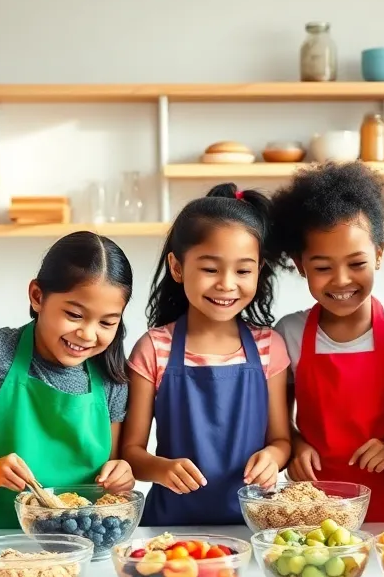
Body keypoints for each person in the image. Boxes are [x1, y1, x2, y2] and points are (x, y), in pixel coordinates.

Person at [121, 184, 291, 526]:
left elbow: (282, 440)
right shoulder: (154, 348)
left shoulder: (269, 346)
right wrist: (162, 468)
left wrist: (272, 458)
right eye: (211, 269)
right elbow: (131, 454)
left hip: (254, 526)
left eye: (243, 270)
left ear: (259, 271)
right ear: (178, 267)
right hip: (168, 529)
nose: (227, 284)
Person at [0, 231, 135, 529]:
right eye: (74, 314)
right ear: (37, 296)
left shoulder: (113, 378)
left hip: (81, 542)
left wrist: (122, 472)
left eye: (107, 322)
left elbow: (112, 468)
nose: (87, 334)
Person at [268, 162, 384, 522]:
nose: (341, 280)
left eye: (356, 263)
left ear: (379, 255)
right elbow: (278, 424)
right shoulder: (288, 333)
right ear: (300, 264)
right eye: (322, 267)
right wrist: (296, 445)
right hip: (313, 504)